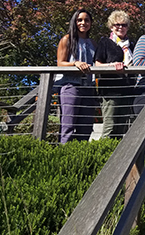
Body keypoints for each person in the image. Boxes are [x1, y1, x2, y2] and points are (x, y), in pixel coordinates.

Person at [55, 9, 96, 143]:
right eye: (80, 20)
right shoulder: (67, 39)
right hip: (70, 85)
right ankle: (64, 156)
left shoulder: (93, 43)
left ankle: (80, 157)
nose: (83, 23)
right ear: (75, 22)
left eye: (87, 20)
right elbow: (60, 64)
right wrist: (75, 64)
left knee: (86, 127)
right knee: (68, 125)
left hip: (88, 88)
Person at [94, 10, 135, 138]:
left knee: (122, 128)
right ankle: (104, 155)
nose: (121, 27)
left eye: (124, 25)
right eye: (117, 24)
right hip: (110, 90)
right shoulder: (105, 42)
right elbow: (97, 64)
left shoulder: (132, 45)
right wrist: (111, 65)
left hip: (128, 90)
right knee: (110, 127)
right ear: (111, 26)